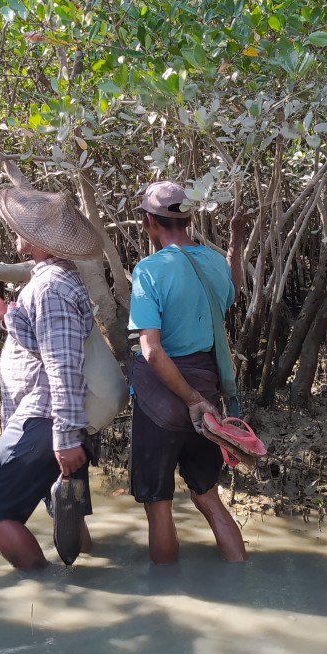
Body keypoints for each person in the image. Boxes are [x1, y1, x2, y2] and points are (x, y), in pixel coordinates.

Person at [0, 186, 103, 569]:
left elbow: (62, 365)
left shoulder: (50, 288)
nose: (16, 232)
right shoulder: (52, 280)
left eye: (22, 227)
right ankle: (92, 580)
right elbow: (46, 342)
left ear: (39, 240)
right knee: (66, 510)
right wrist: (5, 312)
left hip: (46, 418)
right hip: (53, 419)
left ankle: (46, 596)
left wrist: (65, 437)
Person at [128, 180, 248, 564]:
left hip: (165, 401)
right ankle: (241, 572)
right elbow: (232, 289)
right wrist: (235, 242)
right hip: (207, 392)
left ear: (149, 222)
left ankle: (168, 595)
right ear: (190, 218)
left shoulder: (148, 270)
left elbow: (151, 351)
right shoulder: (213, 260)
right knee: (207, 495)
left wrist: (190, 401)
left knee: (157, 503)